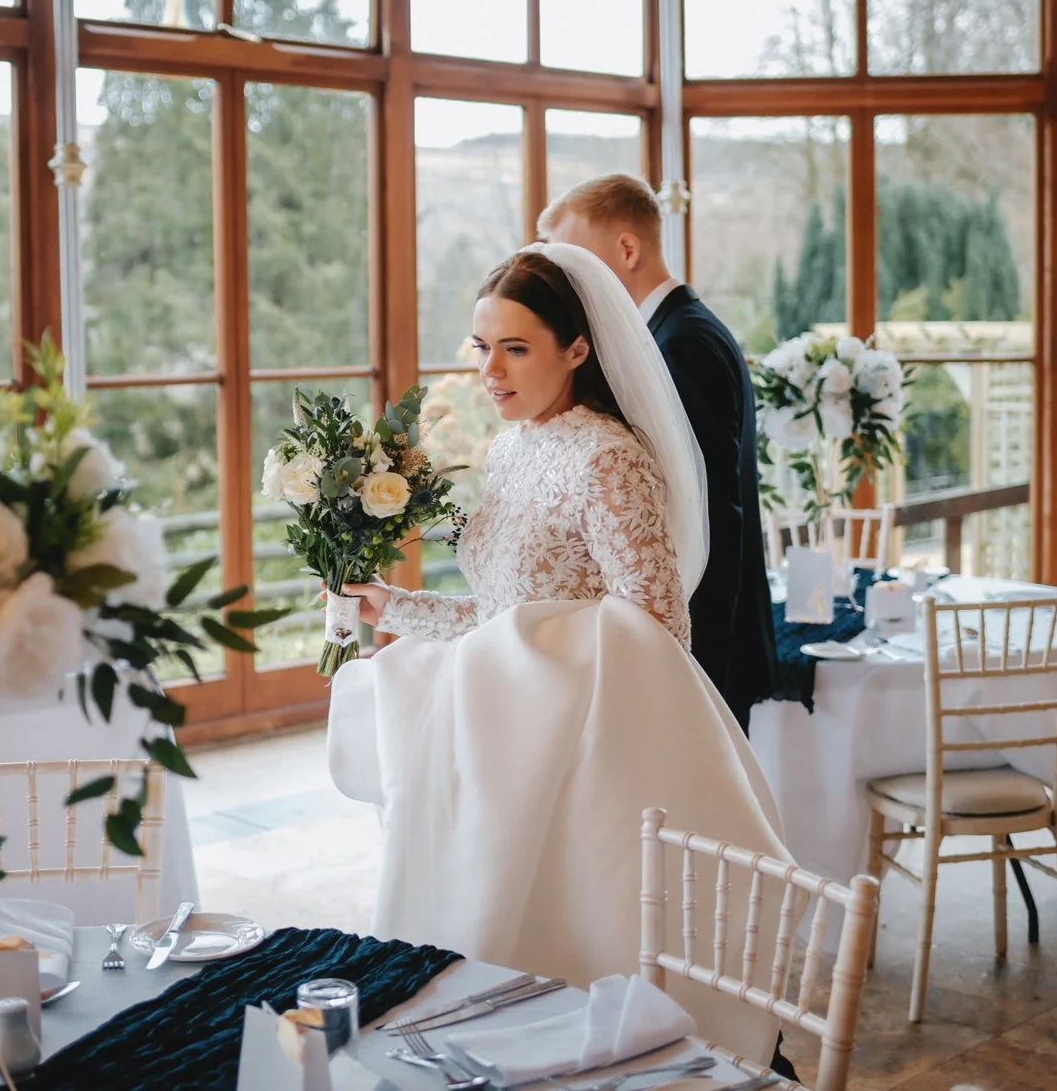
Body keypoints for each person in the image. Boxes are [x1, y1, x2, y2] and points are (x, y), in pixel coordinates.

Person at [325, 245, 789, 1063]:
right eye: (481, 346)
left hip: (578, 762)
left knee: (563, 956)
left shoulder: (608, 457)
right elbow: (507, 611)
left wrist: (523, 659)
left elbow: (654, 624)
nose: (491, 371)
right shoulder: (511, 448)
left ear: (577, 348)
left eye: (515, 348)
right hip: (501, 744)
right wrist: (394, 605)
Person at [540, 175, 775, 732]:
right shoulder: (672, 336)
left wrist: (694, 659)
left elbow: (711, 508)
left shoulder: (681, 344)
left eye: (576, 261)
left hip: (708, 639)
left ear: (627, 248)